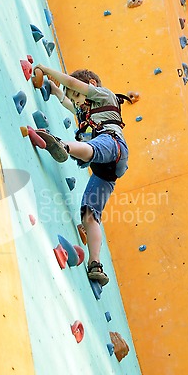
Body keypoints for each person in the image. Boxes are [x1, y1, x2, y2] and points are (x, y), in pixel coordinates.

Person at [33, 64, 130, 286]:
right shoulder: (85, 111)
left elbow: (74, 84)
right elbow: (67, 100)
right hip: (106, 172)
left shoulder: (104, 96)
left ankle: (63, 146)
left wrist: (47, 70)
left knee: (93, 146)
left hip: (113, 145)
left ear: (91, 86)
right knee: (90, 214)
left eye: (78, 96)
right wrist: (55, 89)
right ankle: (95, 264)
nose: (77, 101)